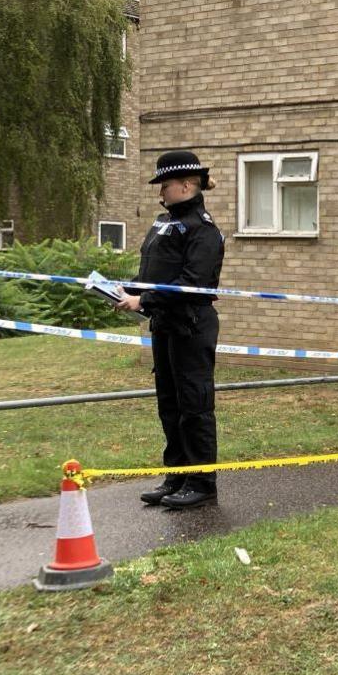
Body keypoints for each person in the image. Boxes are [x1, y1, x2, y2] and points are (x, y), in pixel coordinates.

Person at [115, 150, 225, 509]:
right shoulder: (163, 223)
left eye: (164, 185)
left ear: (186, 185)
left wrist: (144, 302)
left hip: (191, 326)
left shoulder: (203, 230)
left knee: (195, 406)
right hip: (165, 325)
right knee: (170, 405)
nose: (160, 192)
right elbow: (153, 275)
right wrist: (127, 289)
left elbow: (193, 283)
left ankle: (202, 481)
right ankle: (177, 475)